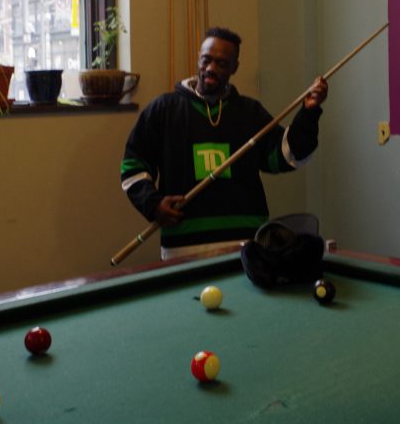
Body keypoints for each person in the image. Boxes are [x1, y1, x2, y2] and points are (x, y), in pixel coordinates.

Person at [121, 27, 328, 260]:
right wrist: (153, 204)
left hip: (247, 246)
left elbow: (288, 156)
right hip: (183, 246)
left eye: (221, 63)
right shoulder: (163, 110)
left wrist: (309, 113)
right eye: (206, 60)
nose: (211, 68)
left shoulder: (250, 112)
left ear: (234, 67)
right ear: (198, 57)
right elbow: (133, 165)